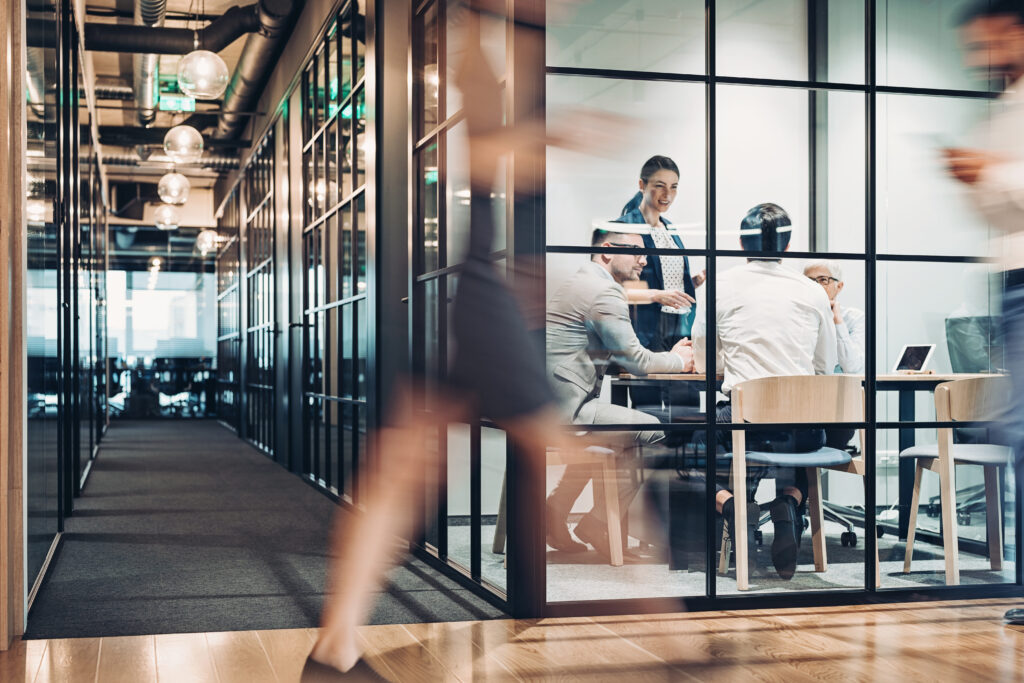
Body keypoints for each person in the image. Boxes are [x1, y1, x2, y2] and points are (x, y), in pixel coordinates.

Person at [301, 7, 601, 681]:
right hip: (487, 299)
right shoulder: (502, 48)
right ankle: (670, 639)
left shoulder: (505, 48)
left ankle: (333, 649)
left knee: (399, 472)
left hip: (485, 294)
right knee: (576, 455)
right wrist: (563, 135)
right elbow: (489, 153)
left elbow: (491, 149)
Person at [692, 203, 838, 580]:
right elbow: (825, 365)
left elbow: (705, 361)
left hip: (745, 422)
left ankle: (734, 508)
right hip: (804, 427)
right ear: (787, 247)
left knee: (686, 450)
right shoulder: (813, 291)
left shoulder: (716, 286)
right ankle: (788, 501)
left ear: (742, 244)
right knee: (804, 445)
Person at [545, 228, 694, 559]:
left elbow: (609, 353)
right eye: (637, 252)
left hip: (548, 403)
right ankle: (597, 522)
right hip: (567, 410)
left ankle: (558, 511)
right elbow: (636, 361)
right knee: (657, 431)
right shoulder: (604, 291)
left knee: (618, 436)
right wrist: (679, 361)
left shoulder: (579, 282)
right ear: (608, 250)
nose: (644, 261)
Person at [946, 0, 1024, 626]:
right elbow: (1002, 214)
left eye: (988, 42)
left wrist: (991, 173)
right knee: (1018, 433)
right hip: (1012, 280)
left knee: (1020, 431)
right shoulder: (1006, 106)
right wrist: (979, 181)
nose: (981, 58)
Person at [615, 156, 706, 419]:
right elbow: (612, 288)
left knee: (686, 403)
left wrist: (694, 282)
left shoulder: (670, 229)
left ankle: (683, 447)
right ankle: (654, 446)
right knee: (649, 405)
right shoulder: (625, 227)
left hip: (679, 325)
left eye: (674, 187)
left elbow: (664, 279)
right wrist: (657, 295)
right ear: (642, 185)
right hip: (645, 326)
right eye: (660, 186)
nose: (668, 194)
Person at [804, 259, 864, 450]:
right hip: (802, 400)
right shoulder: (798, 317)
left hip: (838, 406)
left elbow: (852, 366)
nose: (816, 286)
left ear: (839, 286)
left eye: (823, 280)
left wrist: (837, 320)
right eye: (810, 281)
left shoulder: (853, 318)